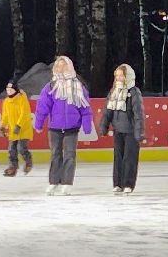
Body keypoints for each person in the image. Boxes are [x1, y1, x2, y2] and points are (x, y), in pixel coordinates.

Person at [34, 56, 91, 196]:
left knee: (70, 156)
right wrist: (38, 123)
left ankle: (67, 183)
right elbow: (42, 107)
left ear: (70, 67)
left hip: (72, 128)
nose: (61, 68)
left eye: (64, 66)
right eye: (58, 66)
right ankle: (54, 182)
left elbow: (85, 108)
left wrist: (87, 125)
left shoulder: (78, 86)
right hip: (55, 128)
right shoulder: (51, 87)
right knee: (55, 155)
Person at [99, 64, 145, 194]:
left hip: (130, 131)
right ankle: (118, 183)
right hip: (118, 130)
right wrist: (104, 126)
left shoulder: (134, 92)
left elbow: (138, 113)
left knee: (129, 158)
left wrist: (139, 131)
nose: (119, 78)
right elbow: (108, 111)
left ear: (128, 77)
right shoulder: (114, 91)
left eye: (121, 75)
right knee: (118, 157)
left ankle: (128, 184)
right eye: (117, 76)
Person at [0, 79, 34, 177]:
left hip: (23, 128)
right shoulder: (6, 101)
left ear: (15, 89)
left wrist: (19, 125)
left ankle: (28, 162)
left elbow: (25, 113)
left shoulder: (22, 98)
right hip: (13, 130)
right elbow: (5, 115)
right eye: (7, 89)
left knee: (21, 148)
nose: (8, 91)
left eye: (11, 89)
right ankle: (12, 168)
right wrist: (2, 126)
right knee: (11, 150)